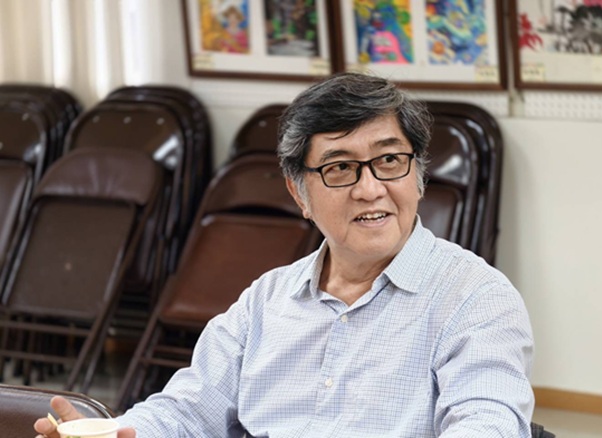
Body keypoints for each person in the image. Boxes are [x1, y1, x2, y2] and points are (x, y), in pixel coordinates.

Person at [35, 72, 534, 437]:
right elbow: (187, 410)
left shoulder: (475, 298)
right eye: (340, 168)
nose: (370, 189)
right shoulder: (267, 299)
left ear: (418, 177)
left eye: (388, 161)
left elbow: (488, 423)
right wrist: (120, 432)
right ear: (300, 194)